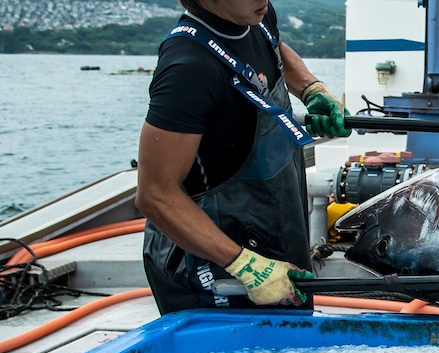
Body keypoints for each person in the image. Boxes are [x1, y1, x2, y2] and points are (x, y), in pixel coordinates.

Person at [136, 0, 350, 314]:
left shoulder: (256, 14)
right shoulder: (188, 68)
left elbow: (273, 46)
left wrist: (312, 89)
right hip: (213, 264)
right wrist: (244, 264)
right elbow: (155, 195)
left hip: (275, 233)